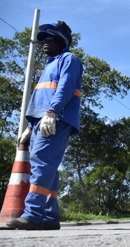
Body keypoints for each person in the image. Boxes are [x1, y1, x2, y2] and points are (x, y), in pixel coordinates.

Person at [7, 20, 83, 230]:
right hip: (43, 120)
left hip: (55, 118)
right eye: (43, 39)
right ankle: (49, 217)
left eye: (50, 38)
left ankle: (32, 214)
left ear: (63, 41)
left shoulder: (69, 59)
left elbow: (66, 87)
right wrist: (30, 127)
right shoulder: (51, 64)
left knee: (41, 163)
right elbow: (41, 98)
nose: (44, 43)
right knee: (48, 167)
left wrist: (52, 112)